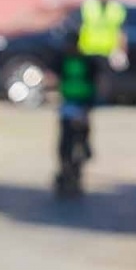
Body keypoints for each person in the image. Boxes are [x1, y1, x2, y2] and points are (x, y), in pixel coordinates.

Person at [52, 28, 96, 186]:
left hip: (82, 104)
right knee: (65, 141)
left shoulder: (86, 61)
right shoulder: (62, 59)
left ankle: (77, 167)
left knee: (81, 139)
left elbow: (95, 82)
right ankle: (66, 169)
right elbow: (53, 76)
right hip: (68, 104)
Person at [78, 0, 128, 70]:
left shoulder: (116, 8)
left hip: (108, 51)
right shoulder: (88, 6)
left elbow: (121, 31)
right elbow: (79, 27)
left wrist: (121, 50)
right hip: (89, 50)